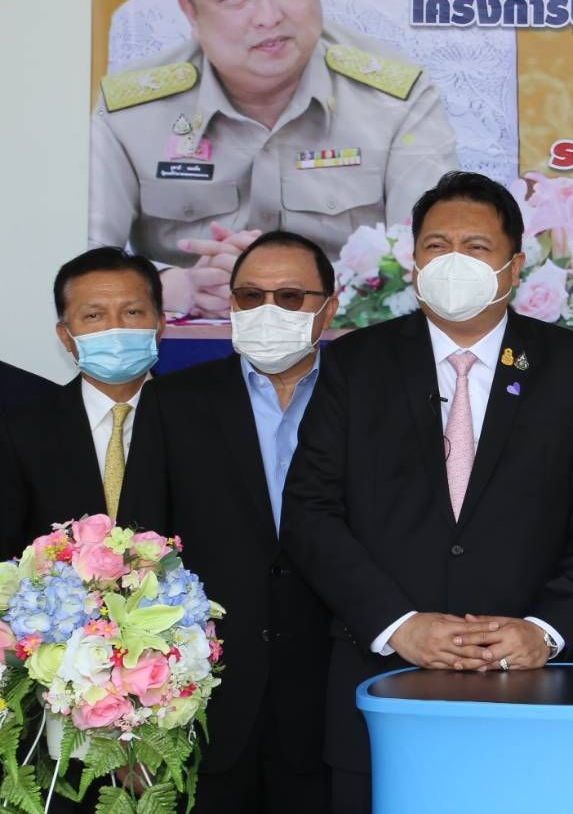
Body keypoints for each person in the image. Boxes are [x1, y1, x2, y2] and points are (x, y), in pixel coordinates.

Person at [281, 171, 573, 813]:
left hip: (525, 686)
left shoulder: (569, 366)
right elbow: (310, 511)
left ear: (514, 267)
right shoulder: (356, 363)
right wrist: (397, 625)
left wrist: (544, 630)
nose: (453, 261)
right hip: (381, 682)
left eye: (475, 247)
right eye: (436, 246)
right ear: (415, 261)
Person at [89, 0, 457, 318]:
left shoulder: (398, 100)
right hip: (184, 350)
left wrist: (279, 287)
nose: (268, 16)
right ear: (191, 14)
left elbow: (434, 261)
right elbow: (83, 257)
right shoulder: (131, 113)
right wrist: (176, 287)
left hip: (347, 343)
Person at [137, 230, 337, 811]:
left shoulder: (369, 399)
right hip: (209, 697)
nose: (267, 311)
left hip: (332, 696)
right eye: (250, 297)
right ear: (230, 305)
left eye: (290, 297)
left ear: (329, 309)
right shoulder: (173, 403)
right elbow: (146, 552)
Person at [0, 248, 165, 557]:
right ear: (65, 336)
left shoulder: (199, 420)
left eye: (132, 312)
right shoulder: (20, 431)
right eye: (93, 315)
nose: (115, 329)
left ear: (160, 324)